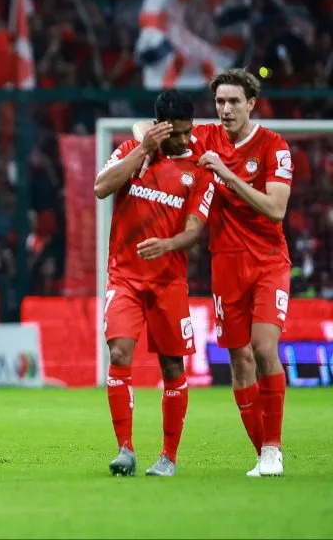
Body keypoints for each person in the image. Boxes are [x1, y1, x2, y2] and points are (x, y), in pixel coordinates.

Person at [133, 68, 292, 477]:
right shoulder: (206, 136)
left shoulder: (274, 147)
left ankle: (273, 448)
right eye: (220, 102)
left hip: (268, 261)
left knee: (263, 347)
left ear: (251, 104)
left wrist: (226, 173)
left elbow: (276, 209)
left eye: (234, 101)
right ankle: (264, 454)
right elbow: (144, 125)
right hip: (225, 264)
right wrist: (144, 143)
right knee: (239, 360)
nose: (225, 109)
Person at [94, 90, 215, 477]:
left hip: (168, 281)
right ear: (160, 127)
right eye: (175, 133)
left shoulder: (199, 168)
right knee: (119, 356)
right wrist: (141, 150)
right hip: (125, 277)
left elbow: (195, 230)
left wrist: (168, 243)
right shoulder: (135, 150)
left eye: (186, 131)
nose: (182, 140)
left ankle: (169, 457)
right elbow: (100, 187)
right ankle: (124, 450)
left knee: (172, 366)